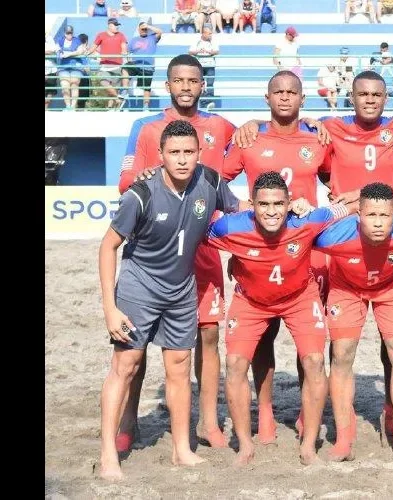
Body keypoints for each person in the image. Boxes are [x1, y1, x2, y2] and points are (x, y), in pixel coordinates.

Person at [232, 70, 393, 445]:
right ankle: (318, 418)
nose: (369, 100)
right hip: (340, 238)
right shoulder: (328, 129)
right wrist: (254, 121)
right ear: (350, 97)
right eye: (362, 94)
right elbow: (293, 126)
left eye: (376, 94)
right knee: (324, 340)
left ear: (386, 98)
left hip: (390, 236)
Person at [98, 120, 244, 480]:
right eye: (174, 153)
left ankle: (181, 449)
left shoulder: (210, 182)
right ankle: (107, 457)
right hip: (139, 289)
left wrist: (287, 207)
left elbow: (241, 210)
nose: (182, 160)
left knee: (179, 365)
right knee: (126, 365)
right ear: (161, 155)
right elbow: (107, 246)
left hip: (182, 290)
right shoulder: (140, 194)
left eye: (189, 152)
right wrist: (110, 308)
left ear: (199, 153)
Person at [116, 54, 236, 453]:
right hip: (155, 251)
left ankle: (207, 421)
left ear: (204, 85)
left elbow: (251, 149)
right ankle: (129, 418)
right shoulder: (147, 129)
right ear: (168, 85)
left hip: (202, 249)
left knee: (209, 333)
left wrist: (253, 126)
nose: (186, 87)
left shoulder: (221, 127)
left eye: (194, 81)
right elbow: (126, 183)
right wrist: (145, 177)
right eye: (179, 80)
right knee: (140, 341)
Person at [207, 171, 354, 466]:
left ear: (289, 204)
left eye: (278, 204)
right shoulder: (228, 227)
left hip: (299, 298)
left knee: (313, 361)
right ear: (252, 204)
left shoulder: (309, 220)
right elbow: (196, 230)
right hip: (250, 302)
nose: (271, 211)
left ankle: (309, 445)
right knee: (234, 365)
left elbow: (350, 206)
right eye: (263, 205)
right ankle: (245, 446)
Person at [220, 70, 331, 444]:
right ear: (267, 98)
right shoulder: (249, 137)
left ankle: (305, 413)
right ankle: (264, 412)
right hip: (259, 253)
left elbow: (336, 180)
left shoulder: (318, 139)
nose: (285, 97)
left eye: (292, 92)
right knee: (261, 339)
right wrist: (238, 204)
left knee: (310, 346)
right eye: (278, 92)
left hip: (307, 253)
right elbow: (216, 179)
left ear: (303, 99)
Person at [314, 182, 393, 459]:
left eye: (384, 216)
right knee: (341, 354)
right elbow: (293, 233)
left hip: (392, 287)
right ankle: (343, 437)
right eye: (371, 215)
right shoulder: (332, 236)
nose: (378, 223)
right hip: (347, 288)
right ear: (358, 216)